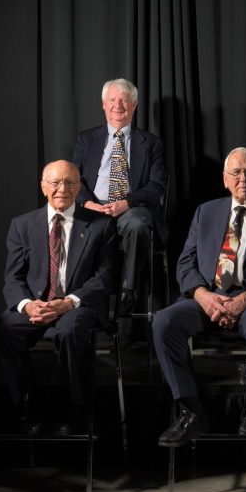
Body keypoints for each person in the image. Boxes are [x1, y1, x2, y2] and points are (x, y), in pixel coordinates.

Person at [152, 147, 246, 446]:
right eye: (236, 172)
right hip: (208, 296)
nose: (243, 178)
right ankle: (191, 411)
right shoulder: (206, 212)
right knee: (164, 322)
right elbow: (185, 263)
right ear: (225, 179)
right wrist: (203, 295)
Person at [0, 160, 119, 434]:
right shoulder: (22, 225)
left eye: (70, 183)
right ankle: (32, 405)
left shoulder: (100, 225)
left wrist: (68, 302)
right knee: (3, 333)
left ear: (79, 187)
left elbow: (105, 277)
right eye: (55, 183)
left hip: (77, 305)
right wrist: (27, 306)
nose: (62, 189)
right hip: (37, 305)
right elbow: (13, 279)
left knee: (71, 332)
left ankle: (77, 411)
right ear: (43, 187)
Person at [73, 78, 167, 316]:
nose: (118, 105)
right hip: (93, 207)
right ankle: (77, 296)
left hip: (131, 206)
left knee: (138, 224)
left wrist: (127, 203)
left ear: (134, 105)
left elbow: (157, 185)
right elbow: (74, 179)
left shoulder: (151, 143)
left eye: (124, 100)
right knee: (71, 225)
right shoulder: (86, 139)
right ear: (104, 104)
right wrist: (89, 204)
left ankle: (127, 290)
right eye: (112, 100)